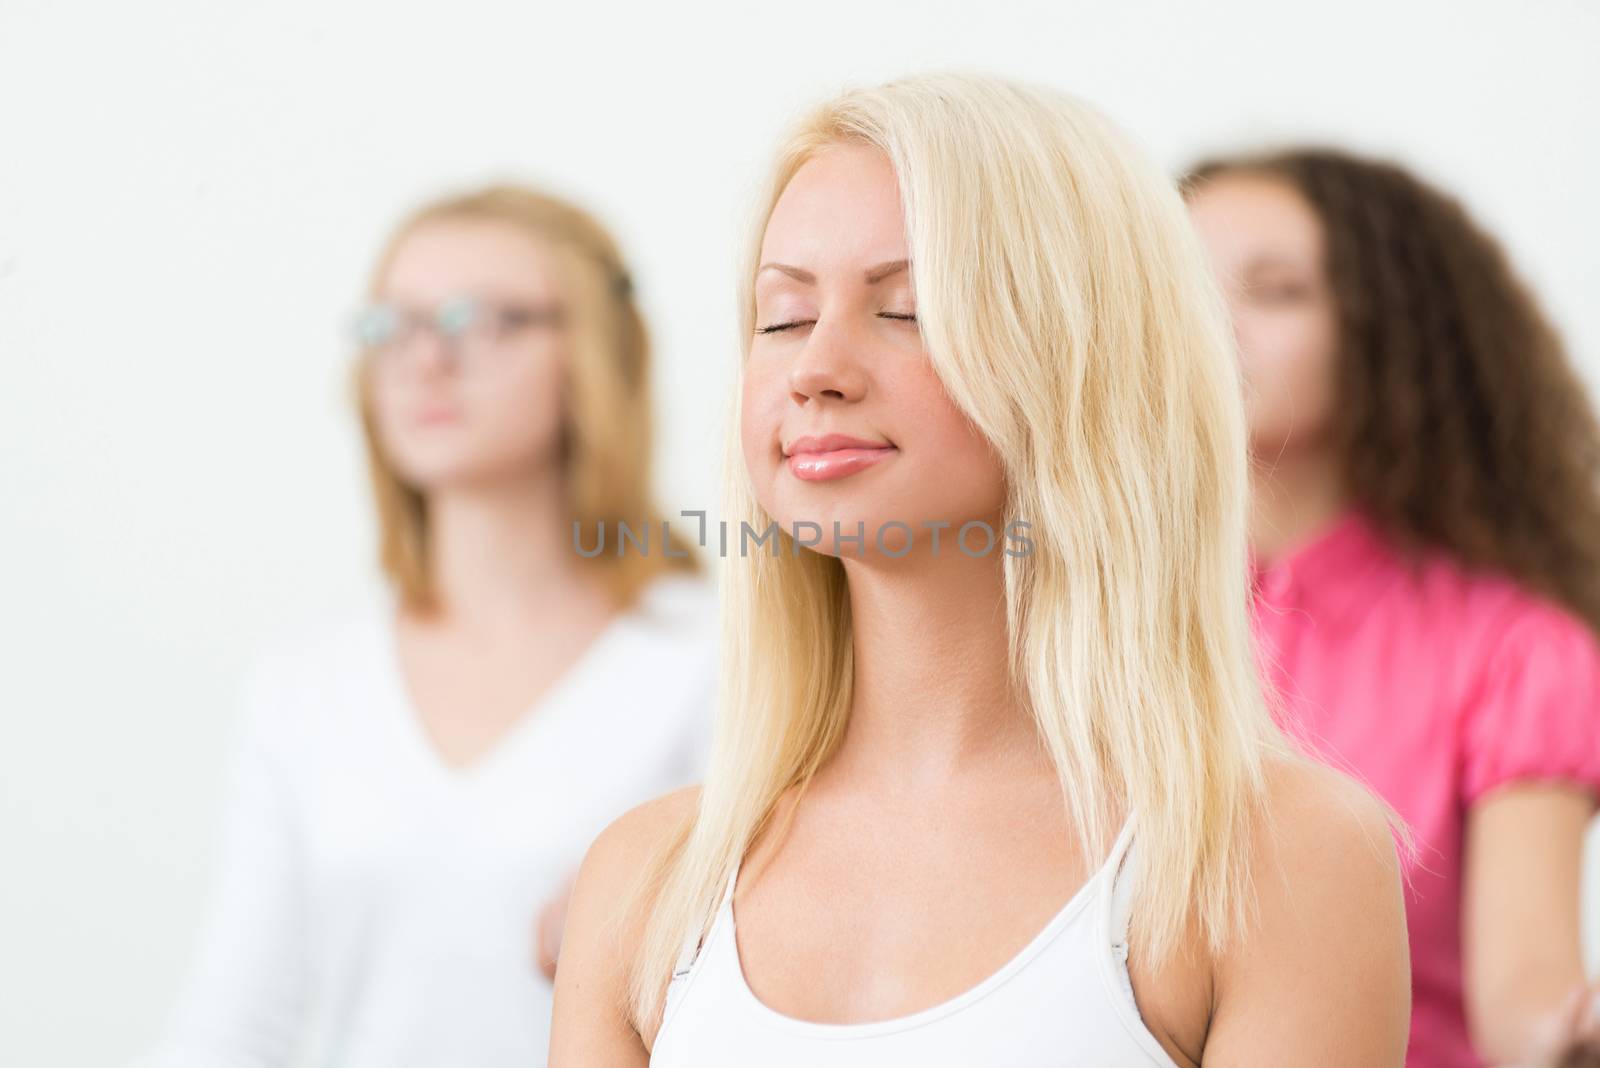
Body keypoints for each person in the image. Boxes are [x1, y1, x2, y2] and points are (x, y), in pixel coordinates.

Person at [548, 72, 1413, 1067]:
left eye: (907, 309)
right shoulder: (646, 880)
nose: (814, 368)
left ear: (1078, 362)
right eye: (781, 317)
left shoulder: (1270, 862)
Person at [131, 184, 717, 1068]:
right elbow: (235, 1027)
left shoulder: (717, 660)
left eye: (476, 320)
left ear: (593, 353)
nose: (424, 361)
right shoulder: (305, 685)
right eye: (392, 327)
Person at [1183, 147, 1600, 1067]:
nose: (1208, 323)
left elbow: (1525, 1001)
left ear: (1392, 334)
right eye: (1179, 281)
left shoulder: (1517, 650)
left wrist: (1567, 1034)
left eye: (1277, 291)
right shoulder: (1083, 608)